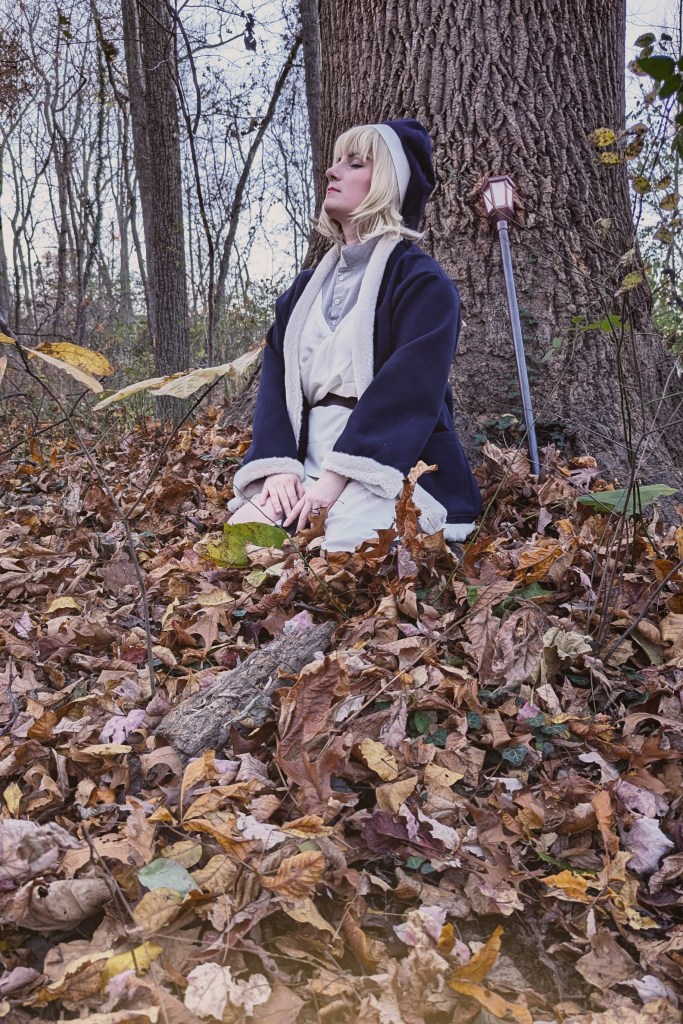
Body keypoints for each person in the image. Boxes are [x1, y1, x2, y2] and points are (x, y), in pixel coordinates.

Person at [227, 118, 482, 552]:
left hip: (390, 464)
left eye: (355, 163)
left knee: (346, 554)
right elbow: (274, 385)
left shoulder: (423, 284)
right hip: (304, 459)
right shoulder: (301, 292)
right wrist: (279, 467)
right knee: (243, 546)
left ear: (387, 183)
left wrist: (335, 478)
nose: (332, 171)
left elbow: (409, 391)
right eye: (336, 161)